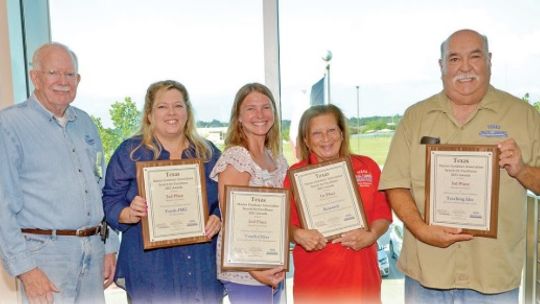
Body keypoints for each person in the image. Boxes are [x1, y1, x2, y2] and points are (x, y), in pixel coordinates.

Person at [379, 29, 540, 303]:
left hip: (493, 279)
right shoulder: (415, 117)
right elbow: (396, 183)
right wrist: (421, 229)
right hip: (426, 276)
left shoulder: (524, 116)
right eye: (454, 59)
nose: (464, 67)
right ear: (441, 66)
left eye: (474, 57)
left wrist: (522, 170)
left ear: (489, 60)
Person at [0, 42, 119, 303]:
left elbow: (100, 188)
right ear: (35, 77)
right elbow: (2, 205)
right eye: (54, 73)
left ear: (78, 79)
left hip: (93, 250)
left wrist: (109, 246)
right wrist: (26, 269)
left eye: (69, 75)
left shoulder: (85, 123)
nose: (63, 81)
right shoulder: (8, 125)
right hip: (45, 257)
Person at [102, 80, 224, 303]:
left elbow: (226, 198)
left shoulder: (208, 153)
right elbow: (109, 200)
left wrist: (218, 217)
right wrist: (128, 213)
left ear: (187, 112)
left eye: (178, 106)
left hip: (200, 262)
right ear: (149, 114)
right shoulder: (130, 152)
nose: (171, 113)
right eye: (162, 106)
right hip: (151, 266)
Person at [283, 104, 392, 304]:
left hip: (362, 279)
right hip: (315, 282)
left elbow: (382, 215)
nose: (326, 138)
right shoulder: (295, 176)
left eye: (332, 130)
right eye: (317, 133)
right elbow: (285, 224)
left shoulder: (367, 166)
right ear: (306, 140)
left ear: (342, 133)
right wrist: (298, 234)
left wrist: (372, 235)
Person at [210, 83, 288, 304]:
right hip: (246, 272)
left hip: (273, 264)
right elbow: (233, 223)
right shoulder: (237, 158)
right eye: (251, 108)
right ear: (239, 118)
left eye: (266, 107)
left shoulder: (277, 159)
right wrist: (255, 270)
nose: (260, 114)